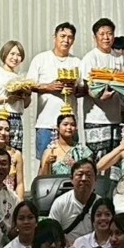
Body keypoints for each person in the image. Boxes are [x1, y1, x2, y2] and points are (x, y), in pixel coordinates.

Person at [27, 22, 83, 159]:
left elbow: (83, 89)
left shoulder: (77, 62)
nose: (66, 40)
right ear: (55, 37)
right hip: (46, 123)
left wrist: (74, 89)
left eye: (70, 37)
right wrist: (48, 87)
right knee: (46, 162)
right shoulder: (41, 59)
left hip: (69, 124)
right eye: (62, 36)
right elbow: (28, 85)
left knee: (71, 162)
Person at [80, 19, 124, 159]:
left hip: (116, 118)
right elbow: (86, 86)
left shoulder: (119, 58)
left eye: (109, 34)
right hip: (95, 118)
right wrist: (98, 96)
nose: (106, 37)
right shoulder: (90, 58)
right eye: (102, 34)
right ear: (95, 37)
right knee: (97, 160)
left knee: (115, 160)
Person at [0, 40, 30, 152]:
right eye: (12, 54)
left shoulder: (20, 78)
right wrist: (6, 99)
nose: (15, 58)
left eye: (19, 55)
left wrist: (28, 94)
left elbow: (25, 105)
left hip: (16, 118)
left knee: (14, 153)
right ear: (4, 54)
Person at [49, 159, 100, 243]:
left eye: (89, 175)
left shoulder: (101, 204)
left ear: (95, 179)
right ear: (71, 179)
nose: (84, 179)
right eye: (80, 175)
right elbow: (52, 232)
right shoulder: (60, 203)